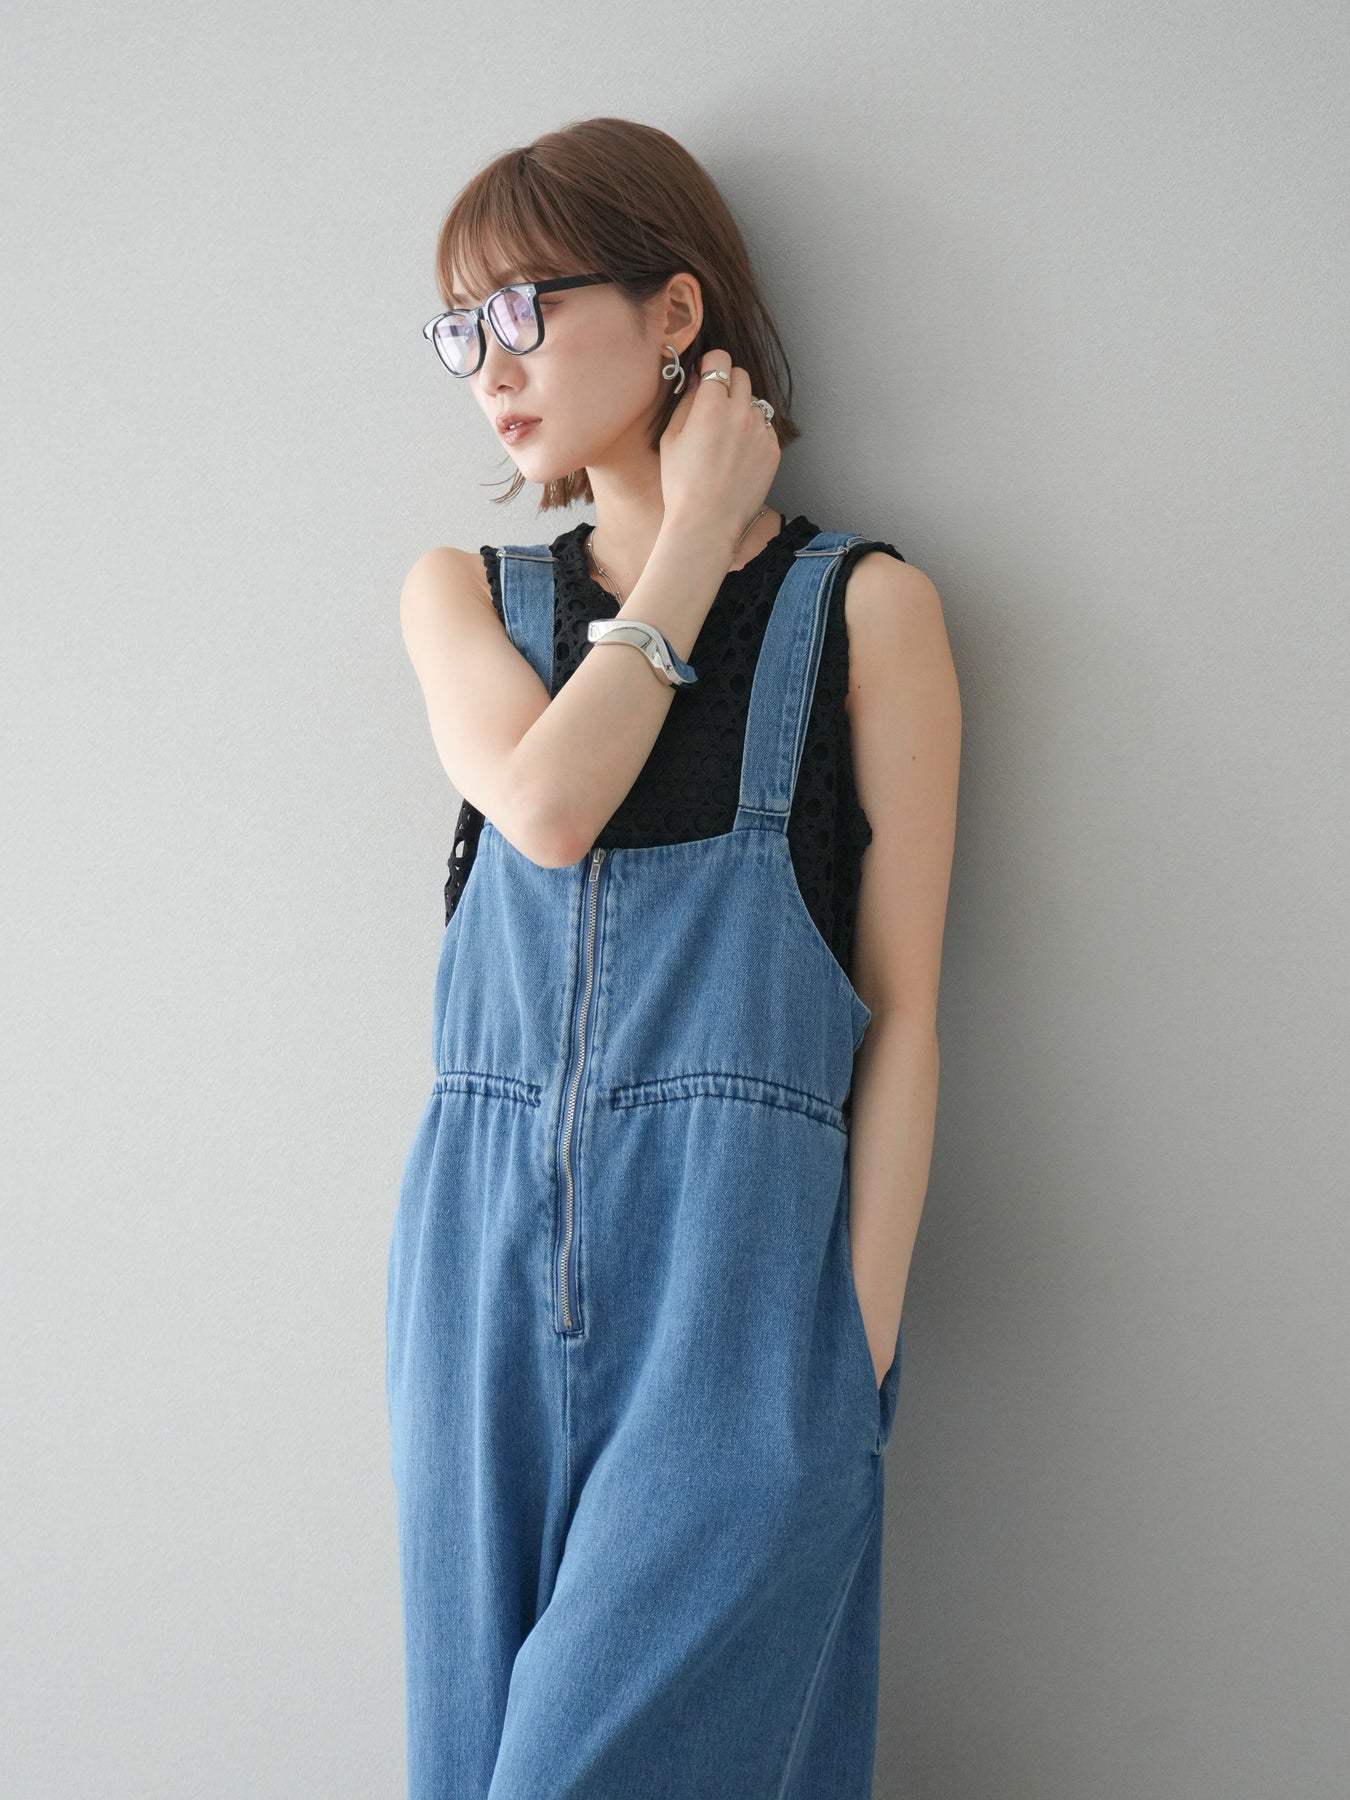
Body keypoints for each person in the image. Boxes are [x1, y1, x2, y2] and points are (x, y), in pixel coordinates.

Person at [386, 116, 961, 1799]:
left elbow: (905, 1017)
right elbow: (548, 809)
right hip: (476, 1285)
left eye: (524, 309)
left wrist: (839, 1370)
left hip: (745, 1298)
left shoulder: (867, 612)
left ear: (674, 310)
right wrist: (695, 532)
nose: (489, 367)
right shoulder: (463, 600)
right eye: (459, 329)